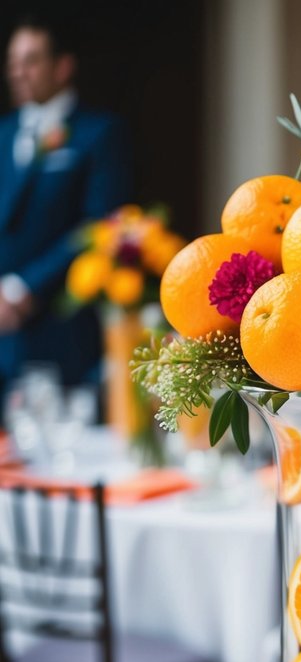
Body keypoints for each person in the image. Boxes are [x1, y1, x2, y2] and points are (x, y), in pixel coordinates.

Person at [0, 11, 132, 407]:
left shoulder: (99, 133)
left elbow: (99, 225)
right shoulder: (3, 133)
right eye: (12, 62)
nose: (17, 72)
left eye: (30, 60)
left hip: (62, 325)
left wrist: (23, 289)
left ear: (62, 66)